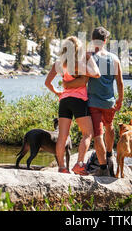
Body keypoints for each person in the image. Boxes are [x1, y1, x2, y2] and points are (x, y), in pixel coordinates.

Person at [63, 27, 124, 176]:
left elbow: (81, 79)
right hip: (109, 102)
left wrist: (67, 85)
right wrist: (120, 99)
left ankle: (103, 168)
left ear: (92, 39)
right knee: (110, 127)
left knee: (98, 135)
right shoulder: (114, 59)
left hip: (93, 103)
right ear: (105, 40)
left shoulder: (88, 57)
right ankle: (109, 155)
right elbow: (120, 82)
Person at [44, 36, 100, 175]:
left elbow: (47, 83)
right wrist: (88, 58)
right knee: (88, 134)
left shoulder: (58, 63)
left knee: (62, 136)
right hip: (79, 100)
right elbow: (96, 74)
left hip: (64, 100)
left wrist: (57, 92)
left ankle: (62, 167)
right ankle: (80, 164)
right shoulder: (80, 63)